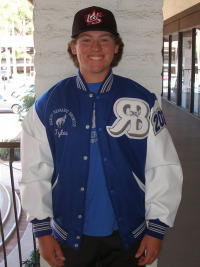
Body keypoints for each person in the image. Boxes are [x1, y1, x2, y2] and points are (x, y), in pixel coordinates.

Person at [19, 6, 183, 267]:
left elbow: (163, 167)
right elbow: (33, 172)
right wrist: (41, 230)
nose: (95, 48)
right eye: (86, 40)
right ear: (74, 47)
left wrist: (157, 228)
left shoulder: (142, 101)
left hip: (129, 237)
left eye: (104, 39)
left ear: (116, 47)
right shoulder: (47, 105)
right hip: (68, 239)